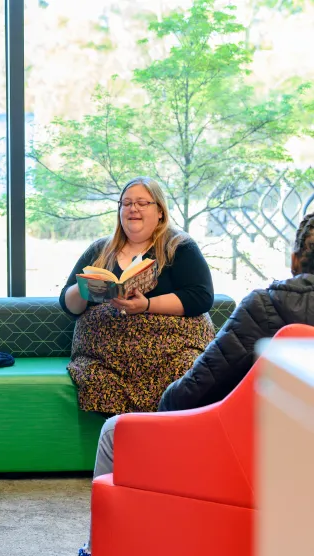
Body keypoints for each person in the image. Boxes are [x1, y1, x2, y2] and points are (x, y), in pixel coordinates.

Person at [77, 213, 314, 556]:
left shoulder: (264, 308)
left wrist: (164, 404)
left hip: (253, 460)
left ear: (295, 260)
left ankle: (98, 548)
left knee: (116, 431)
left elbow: (189, 395)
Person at [61, 176, 215, 415]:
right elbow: (68, 305)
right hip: (105, 357)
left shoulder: (180, 246)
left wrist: (147, 305)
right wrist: (83, 289)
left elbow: (201, 297)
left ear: (160, 211)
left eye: (142, 203)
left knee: (185, 372)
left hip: (169, 354)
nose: (133, 208)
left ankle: (163, 443)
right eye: (126, 203)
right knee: (99, 381)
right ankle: (120, 439)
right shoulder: (100, 250)